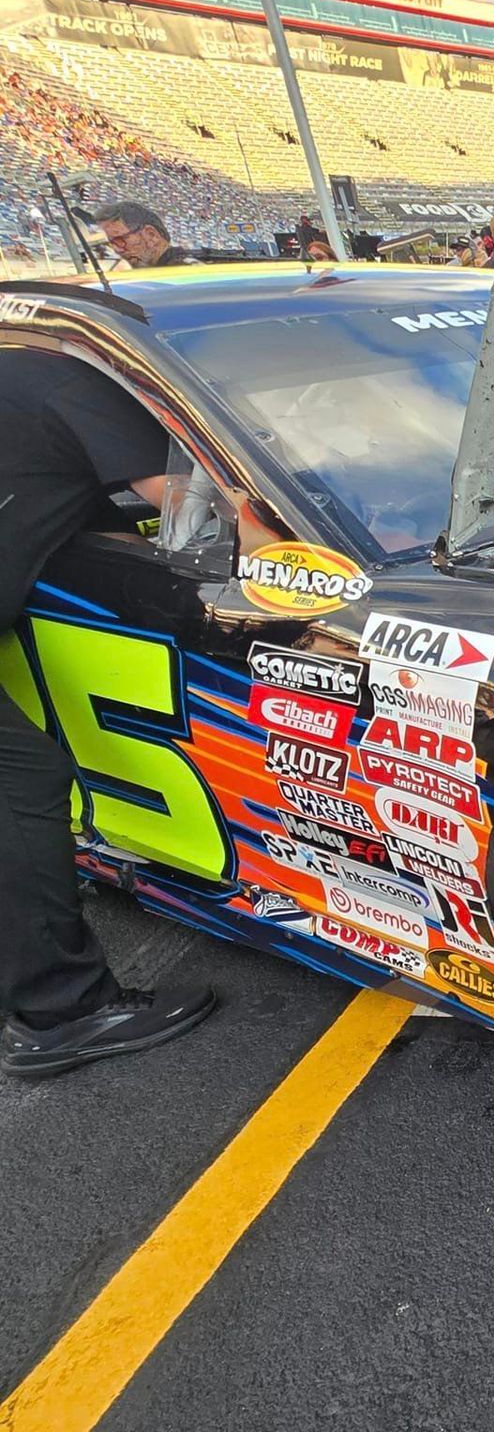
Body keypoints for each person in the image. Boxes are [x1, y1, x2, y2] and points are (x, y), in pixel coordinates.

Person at [0, 351, 217, 1077]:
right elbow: (189, 509)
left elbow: (82, 506)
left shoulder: (25, 379)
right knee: (22, 785)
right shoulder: (81, 379)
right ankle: (62, 1014)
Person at [94, 201, 194, 268]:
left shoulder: (183, 271)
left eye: (120, 240)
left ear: (151, 235)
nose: (117, 249)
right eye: (111, 243)